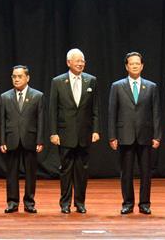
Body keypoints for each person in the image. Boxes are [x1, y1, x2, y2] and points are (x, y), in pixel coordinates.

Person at [107, 52, 161, 215]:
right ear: (126, 66)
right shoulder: (117, 86)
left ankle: (144, 204)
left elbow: (156, 113)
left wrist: (157, 135)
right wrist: (112, 136)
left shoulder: (151, 87)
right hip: (125, 135)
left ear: (142, 66)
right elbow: (112, 112)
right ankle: (128, 203)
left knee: (146, 172)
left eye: (138, 63)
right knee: (126, 173)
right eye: (132, 63)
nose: (135, 66)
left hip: (145, 135)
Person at [49, 48, 100, 214]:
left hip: (84, 133)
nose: (80, 63)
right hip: (65, 133)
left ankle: (80, 202)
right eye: (77, 61)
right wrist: (53, 132)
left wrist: (96, 130)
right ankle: (65, 203)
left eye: (82, 61)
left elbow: (95, 108)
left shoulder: (91, 80)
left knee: (82, 170)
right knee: (65, 170)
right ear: (68, 62)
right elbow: (53, 110)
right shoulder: (58, 81)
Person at [0, 65, 45, 214]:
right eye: (14, 76)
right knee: (11, 173)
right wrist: (2, 140)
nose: (16, 79)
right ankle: (12, 202)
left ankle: (29, 202)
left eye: (20, 76)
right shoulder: (5, 97)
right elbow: (2, 121)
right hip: (11, 139)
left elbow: (41, 120)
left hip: (30, 138)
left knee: (31, 173)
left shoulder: (38, 96)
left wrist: (40, 140)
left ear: (27, 78)